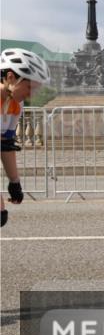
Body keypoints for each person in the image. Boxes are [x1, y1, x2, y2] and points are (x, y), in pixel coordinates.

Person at [1, 48, 51, 227]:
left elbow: (6, 145)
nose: (31, 95)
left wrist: (15, 183)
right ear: (11, 77)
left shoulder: (16, 105)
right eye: (29, 87)